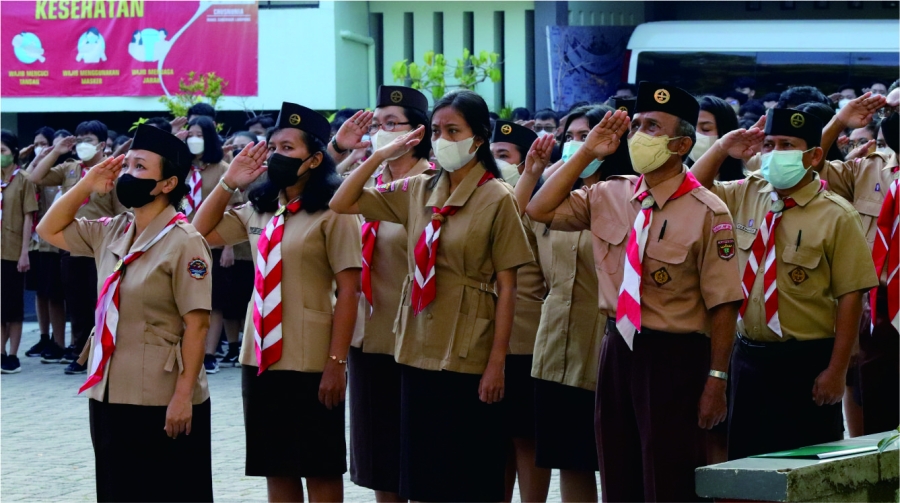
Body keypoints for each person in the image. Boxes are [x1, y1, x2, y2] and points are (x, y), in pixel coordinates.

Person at [526, 82, 742, 502]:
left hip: (675, 357)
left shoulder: (708, 211)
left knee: (668, 475)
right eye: (638, 125)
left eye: (653, 127)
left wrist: (716, 380)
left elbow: (724, 304)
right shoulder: (611, 193)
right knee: (617, 466)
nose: (640, 134)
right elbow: (540, 208)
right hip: (617, 349)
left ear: (681, 144)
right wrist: (588, 152)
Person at [330, 89, 534, 502]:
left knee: (467, 471)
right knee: (422, 471)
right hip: (417, 343)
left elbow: (508, 286)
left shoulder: (497, 197)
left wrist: (498, 362)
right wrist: (378, 156)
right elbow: (342, 200)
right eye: (437, 130)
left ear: (478, 138)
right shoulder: (420, 189)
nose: (442, 138)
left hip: (469, 347)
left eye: (453, 130)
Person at [193, 102, 360, 503]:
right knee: (276, 466)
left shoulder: (334, 211)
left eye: (288, 148)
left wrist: (337, 364)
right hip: (260, 356)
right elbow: (197, 232)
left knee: (319, 467)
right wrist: (229, 183)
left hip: (311, 358)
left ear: (314, 159)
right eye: (272, 147)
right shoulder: (261, 208)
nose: (275, 155)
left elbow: (350, 290)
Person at [689, 108, 879, 460]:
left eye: (787, 145)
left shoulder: (836, 214)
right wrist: (721, 149)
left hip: (805, 362)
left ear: (814, 156)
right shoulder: (750, 192)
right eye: (770, 144)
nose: (775, 154)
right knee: (747, 465)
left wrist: (836, 371)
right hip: (749, 357)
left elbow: (851, 296)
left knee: (805, 468)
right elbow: (692, 190)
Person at [36, 124, 213, 501]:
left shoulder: (186, 242)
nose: (126, 174)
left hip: (161, 394)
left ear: (167, 184)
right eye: (126, 164)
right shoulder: (114, 230)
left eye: (139, 167)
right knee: (117, 491)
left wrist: (183, 397)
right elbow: (48, 228)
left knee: (166, 491)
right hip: (109, 388)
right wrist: (86, 185)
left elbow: (197, 325)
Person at [517, 106, 614, 502]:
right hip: (556, 344)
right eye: (572, 136)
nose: (580, 143)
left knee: (614, 461)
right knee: (570, 461)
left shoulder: (625, 196)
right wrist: (531, 172)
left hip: (607, 347)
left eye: (588, 135)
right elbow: (512, 219)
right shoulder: (553, 200)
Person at [348, 85, 434, 502]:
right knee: (379, 459)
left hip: (417, 337)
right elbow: (332, 197)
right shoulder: (366, 181)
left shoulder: (434, 182)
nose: (381, 133)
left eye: (391, 124)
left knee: (419, 457)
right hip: (369, 335)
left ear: (417, 132)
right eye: (376, 125)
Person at [814, 93, 897, 436]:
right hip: (877, 311)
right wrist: (838, 121)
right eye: (891, 110)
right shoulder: (870, 167)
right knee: (880, 421)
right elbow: (808, 166)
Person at [28, 119, 127, 374]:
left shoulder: (112, 173)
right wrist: (56, 150)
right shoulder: (69, 168)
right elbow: (35, 177)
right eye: (79, 140)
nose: (83, 145)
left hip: (102, 247)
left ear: (102, 145)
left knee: (101, 301)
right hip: (71, 245)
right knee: (77, 303)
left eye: (89, 140)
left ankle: (103, 352)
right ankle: (80, 352)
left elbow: (122, 213)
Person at [489, 119, 552, 502]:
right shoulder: (485, 199)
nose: (497, 163)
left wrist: (530, 175)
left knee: (526, 439)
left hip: (526, 338)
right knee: (495, 439)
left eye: (504, 156)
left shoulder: (540, 206)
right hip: (487, 338)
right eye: (493, 154)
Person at [185, 115, 241, 374]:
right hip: (183, 239)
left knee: (214, 301)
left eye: (198, 134)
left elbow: (231, 206)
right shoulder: (182, 166)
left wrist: (229, 246)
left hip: (213, 243)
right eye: (190, 134)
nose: (193, 139)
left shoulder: (222, 167)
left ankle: (208, 353)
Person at [22, 126, 67, 362]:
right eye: (37, 143)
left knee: (55, 294)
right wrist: (35, 156)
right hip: (38, 242)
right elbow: (27, 179)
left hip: (58, 242)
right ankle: (44, 336)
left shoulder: (64, 172)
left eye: (44, 143)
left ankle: (60, 342)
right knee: (41, 291)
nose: (40, 147)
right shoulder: (40, 169)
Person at [1, 130, 40, 374]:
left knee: (13, 306)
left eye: (3, 151)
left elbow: (29, 217)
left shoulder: (24, 179)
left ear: (14, 152)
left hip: (14, 250)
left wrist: (25, 251)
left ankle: (13, 354)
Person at [691, 96, 745, 181]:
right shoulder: (671, 180)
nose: (696, 135)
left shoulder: (745, 186)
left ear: (727, 132)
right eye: (691, 129)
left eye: (706, 129)